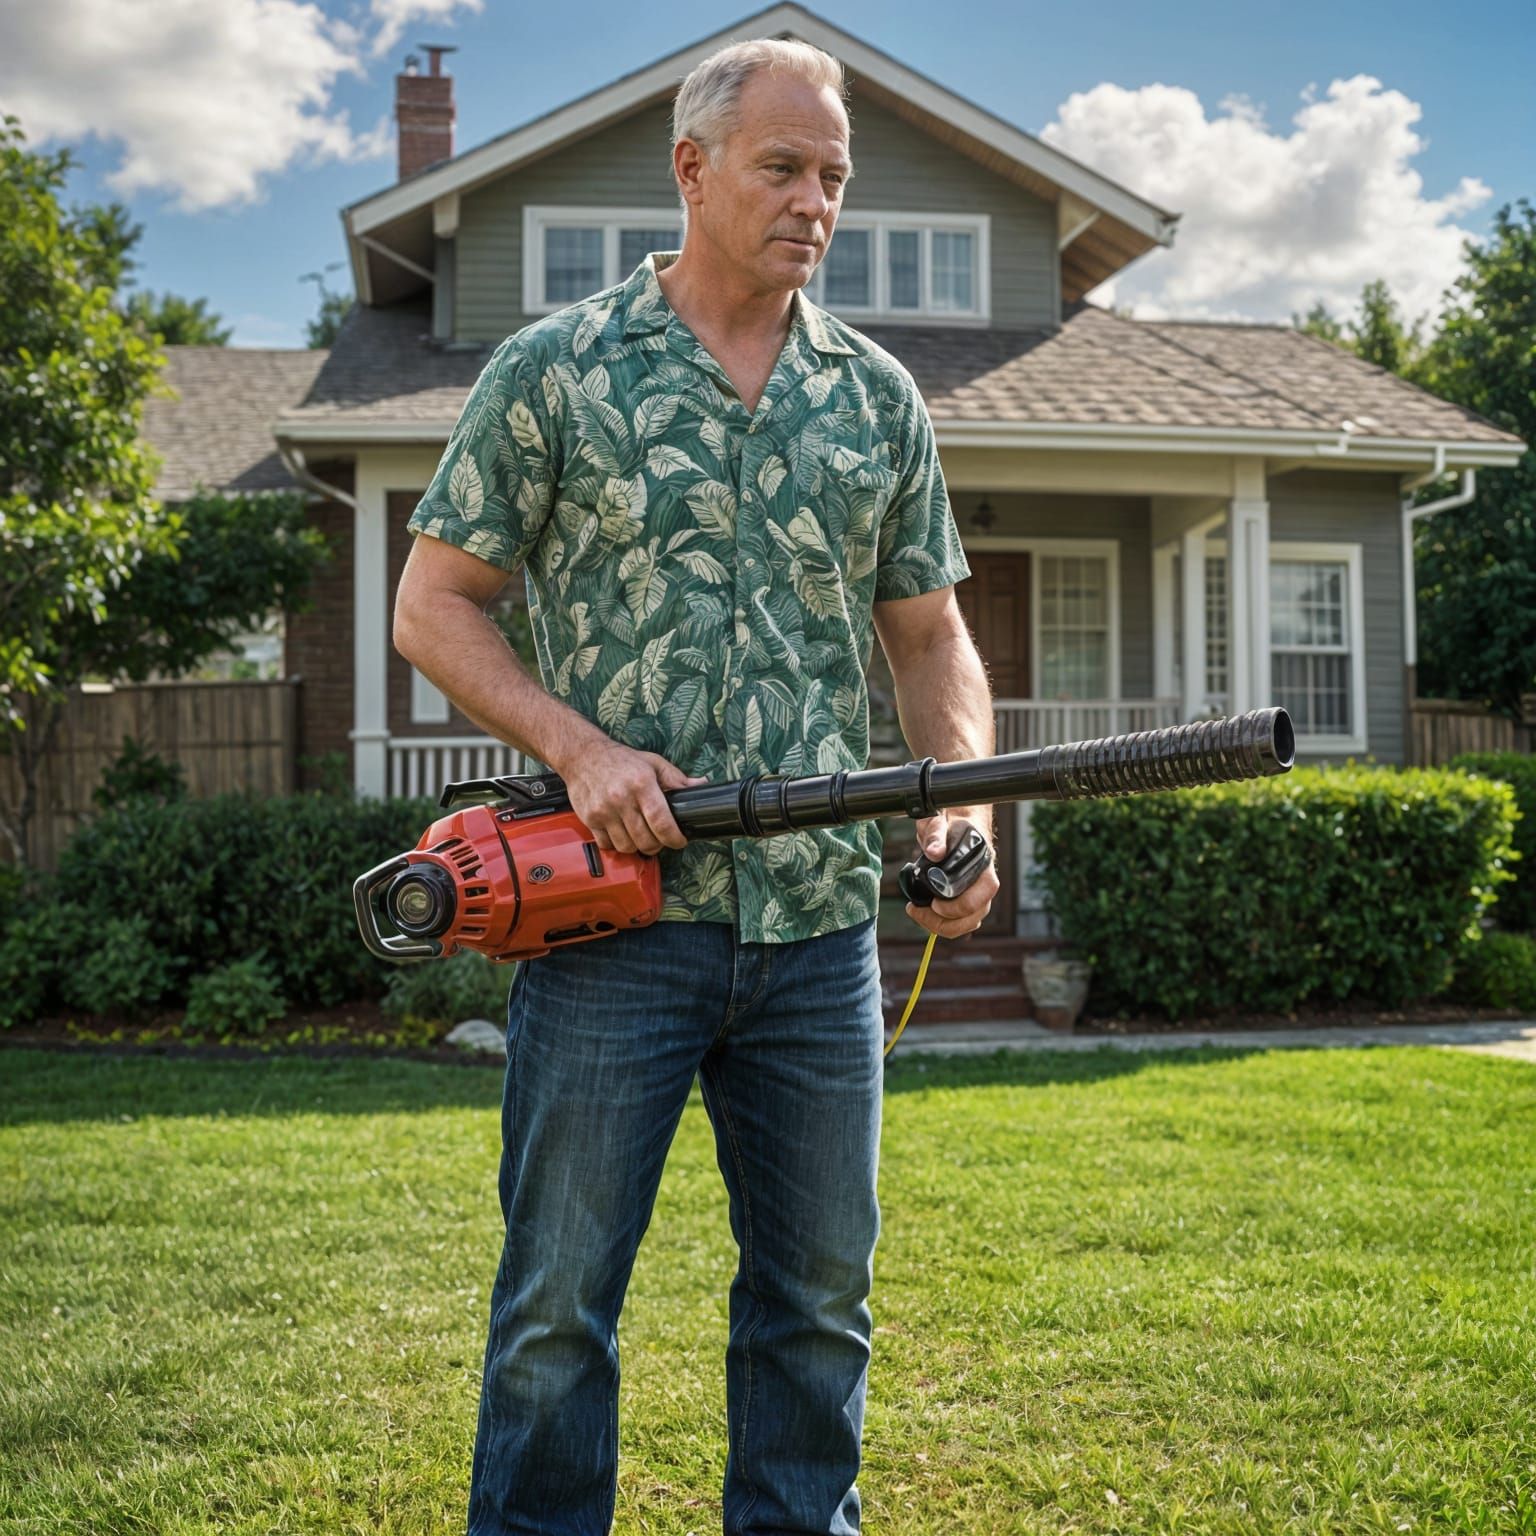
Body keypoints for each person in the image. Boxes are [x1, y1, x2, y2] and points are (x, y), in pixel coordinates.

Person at [394, 36, 1001, 1536]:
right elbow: (432, 603)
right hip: (612, 929)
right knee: (556, 1310)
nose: (815, 202)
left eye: (835, 179)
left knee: (817, 1306)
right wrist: (583, 752)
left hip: (813, 939)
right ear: (692, 169)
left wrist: (960, 801)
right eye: (783, 168)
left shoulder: (875, 399)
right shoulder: (558, 371)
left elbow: (932, 636)